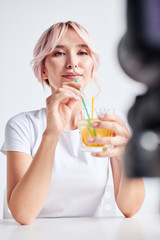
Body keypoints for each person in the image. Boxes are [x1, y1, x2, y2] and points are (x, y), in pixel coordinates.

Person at [1, 21, 145, 225]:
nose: (72, 63)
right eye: (58, 53)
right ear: (43, 70)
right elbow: (23, 214)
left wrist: (125, 153)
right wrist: (51, 133)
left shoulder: (109, 122)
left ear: (92, 65)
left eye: (82, 52)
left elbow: (130, 209)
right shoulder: (22, 126)